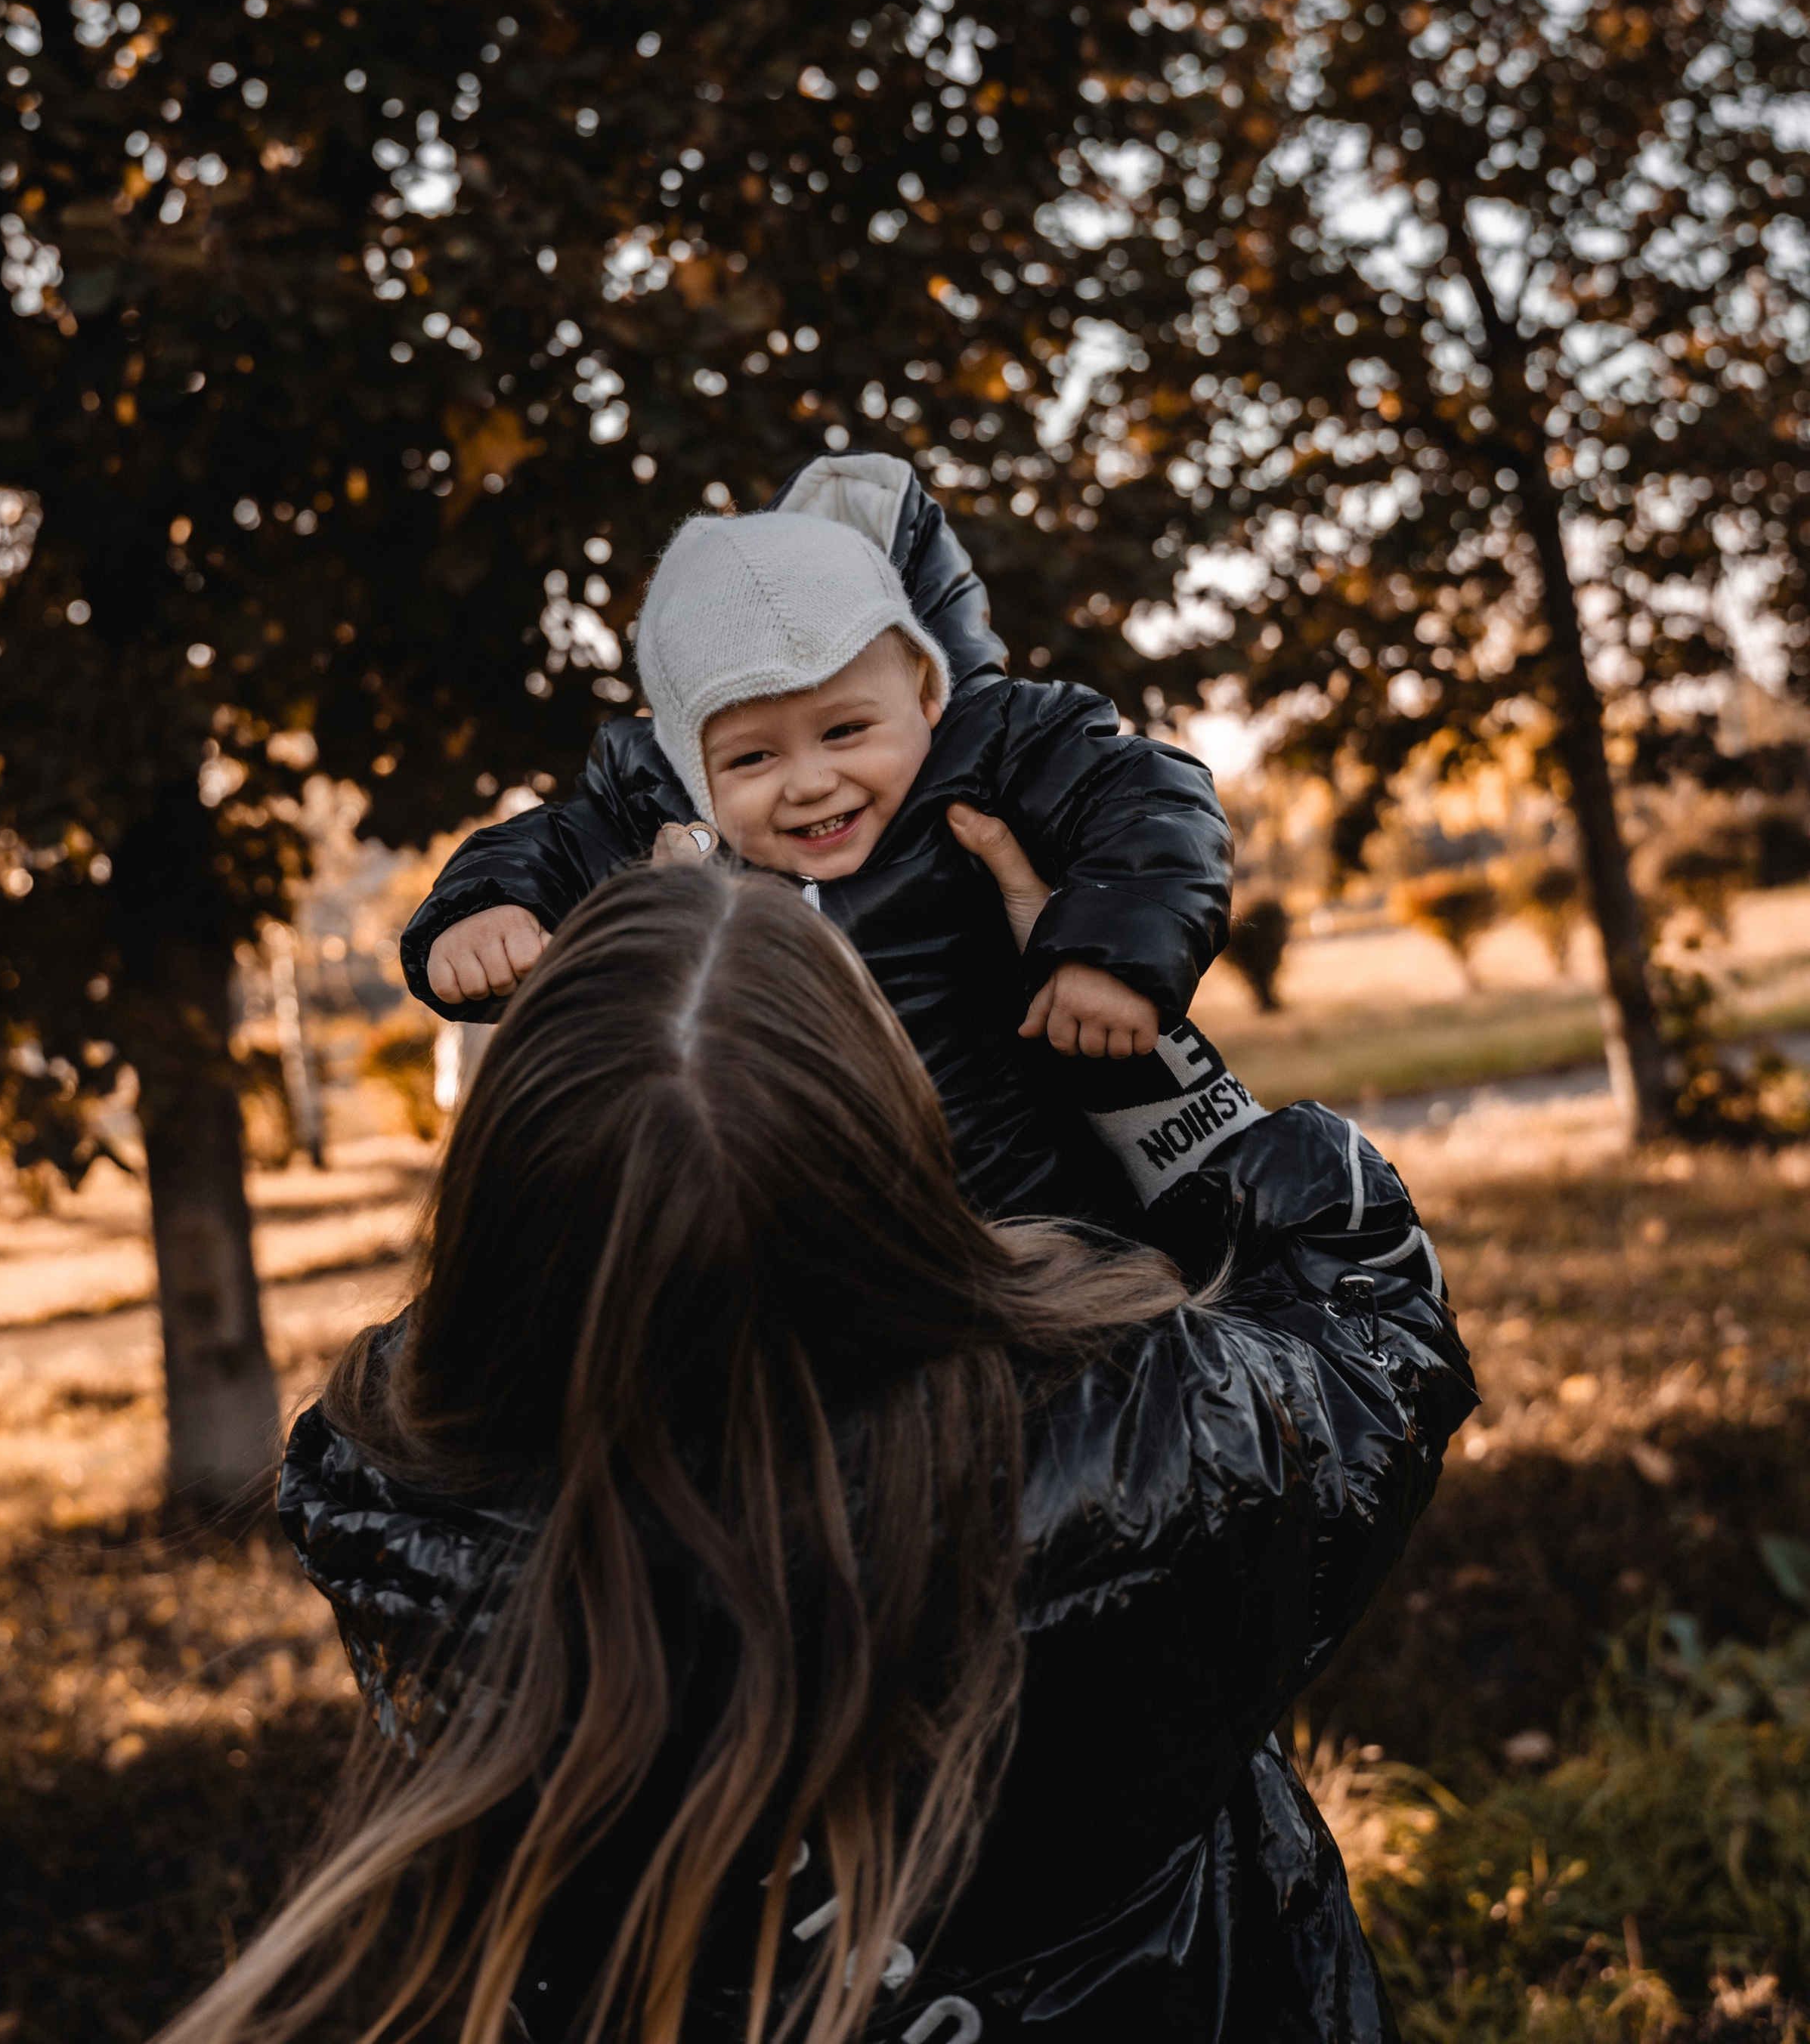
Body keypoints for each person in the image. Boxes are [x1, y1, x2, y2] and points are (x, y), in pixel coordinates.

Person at [164, 855, 1474, 2044]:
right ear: (894, 1149)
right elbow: (1373, 1308)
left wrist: (600, 1131)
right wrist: (1124, 1043)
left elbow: (462, 1351)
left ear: (514, 1205)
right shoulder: (1159, 1444)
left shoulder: (414, 1520)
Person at [399, 453, 1238, 1236]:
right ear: (693, 764)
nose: (807, 782)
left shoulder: (991, 753)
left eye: (844, 731)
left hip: (1040, 1222)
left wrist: (1110, 946)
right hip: (803, 1246)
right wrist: (486, 911)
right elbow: (547, 845)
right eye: (753, 756)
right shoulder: (667, 819)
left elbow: (1151, 801)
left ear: (923, 691)